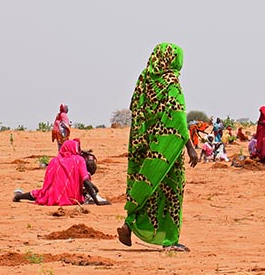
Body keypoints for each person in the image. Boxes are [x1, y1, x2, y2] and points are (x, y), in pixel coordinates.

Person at [117, 43, 199, 252]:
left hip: (142, 144)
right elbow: (178, 120)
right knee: (171, 192)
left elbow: (135, 108)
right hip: (165, 149)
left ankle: (129, 222)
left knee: (144, 185)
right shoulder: (171, 82)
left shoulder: (144, 79)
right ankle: (169, 241)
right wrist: (190, 147)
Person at [14, 139, 102, 206]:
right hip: (73, 198)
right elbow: (86, 181)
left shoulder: (54, 161)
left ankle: (18, 196)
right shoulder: (79, 160)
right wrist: (97, 201)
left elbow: (48, 183)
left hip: (52, 196)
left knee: (42, 193)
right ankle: (18, 196)